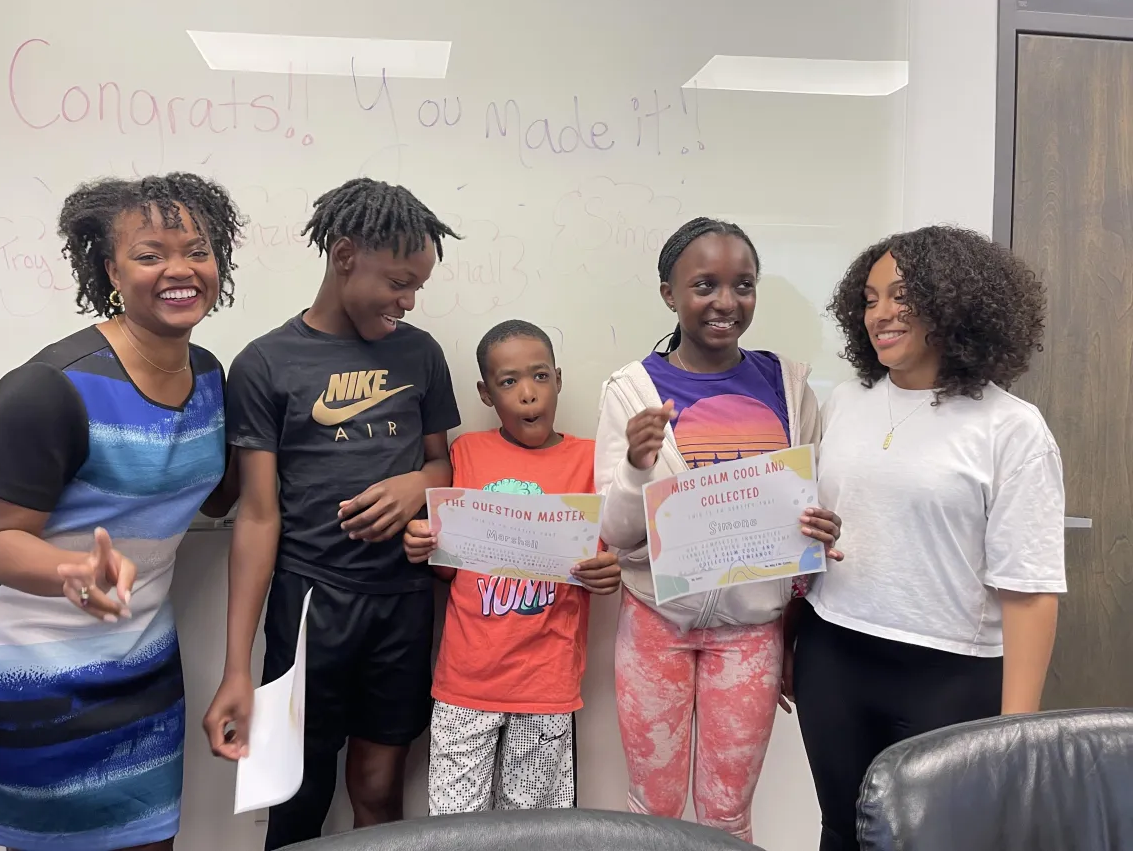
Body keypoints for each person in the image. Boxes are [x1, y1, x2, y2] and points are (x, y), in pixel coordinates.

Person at [0, 173, 243, 851]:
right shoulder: (51, 388)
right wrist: (75, 569)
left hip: (142, 661)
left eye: (197, 249)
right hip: (27, 665)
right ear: (110, 269)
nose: (180, 269)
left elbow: (219, 491)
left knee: (151, 837)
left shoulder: (213, 378)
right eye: (150, 254)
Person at [203, 177, 462, 849]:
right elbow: (257, 518)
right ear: (345, 256)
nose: (407, 302)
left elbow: (444, 467)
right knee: (294, 794)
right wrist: (237, 666)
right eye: (398, 282)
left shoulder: (420, 353)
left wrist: (417, 486)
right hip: (310, 601)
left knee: (379, 788)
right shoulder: (265, 363)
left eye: (417, 289)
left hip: (402, 602)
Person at [792, 225, 1066, 851]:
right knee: (841, 833)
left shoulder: (1012, 429)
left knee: (935, 841)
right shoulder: (843, 403)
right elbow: (828, 526)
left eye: (901, 296)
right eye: (869, 298)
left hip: (951, 673)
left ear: (955, 302)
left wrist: (1016, 733)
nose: (880, 314)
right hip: (833, 654)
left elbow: (1030, 592)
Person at [594, 217, 843, 844]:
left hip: (753, 630)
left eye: (743, 285)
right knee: (654, 807)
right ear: (668, 294)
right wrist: (634, 466)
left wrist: (820, 524)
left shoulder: (788, 384)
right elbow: (619, 536)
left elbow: (809, 510)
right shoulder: (633, 390)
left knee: (728, 811)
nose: (726, 302)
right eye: (704, 284)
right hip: (656, 620)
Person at [401, 320, 622, 815]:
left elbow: (605, 559)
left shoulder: (591, 461)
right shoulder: (466, 454)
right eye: (508, 382)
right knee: (454, 827)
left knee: (535, 830)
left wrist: (609, 574)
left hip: (546, 683)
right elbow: (447, 570)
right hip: (466, 679)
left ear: (559, 379)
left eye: (540, 377)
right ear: (485, 393)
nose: (528, 394)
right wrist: (424, 546)